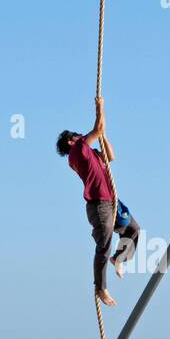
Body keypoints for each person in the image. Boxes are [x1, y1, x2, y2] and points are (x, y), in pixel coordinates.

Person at [56, 96, 140, 307]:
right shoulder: (77, 152)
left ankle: (119, 259)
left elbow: (110, 156)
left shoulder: (90, 153)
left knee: (133, 230)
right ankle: (100, 288)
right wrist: (100, 107)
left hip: (113, 201)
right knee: (104, 245)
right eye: (77, 135)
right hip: (99, 205)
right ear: (71, 141)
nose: (81, 135)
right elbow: (98, 126)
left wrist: (103, 136)